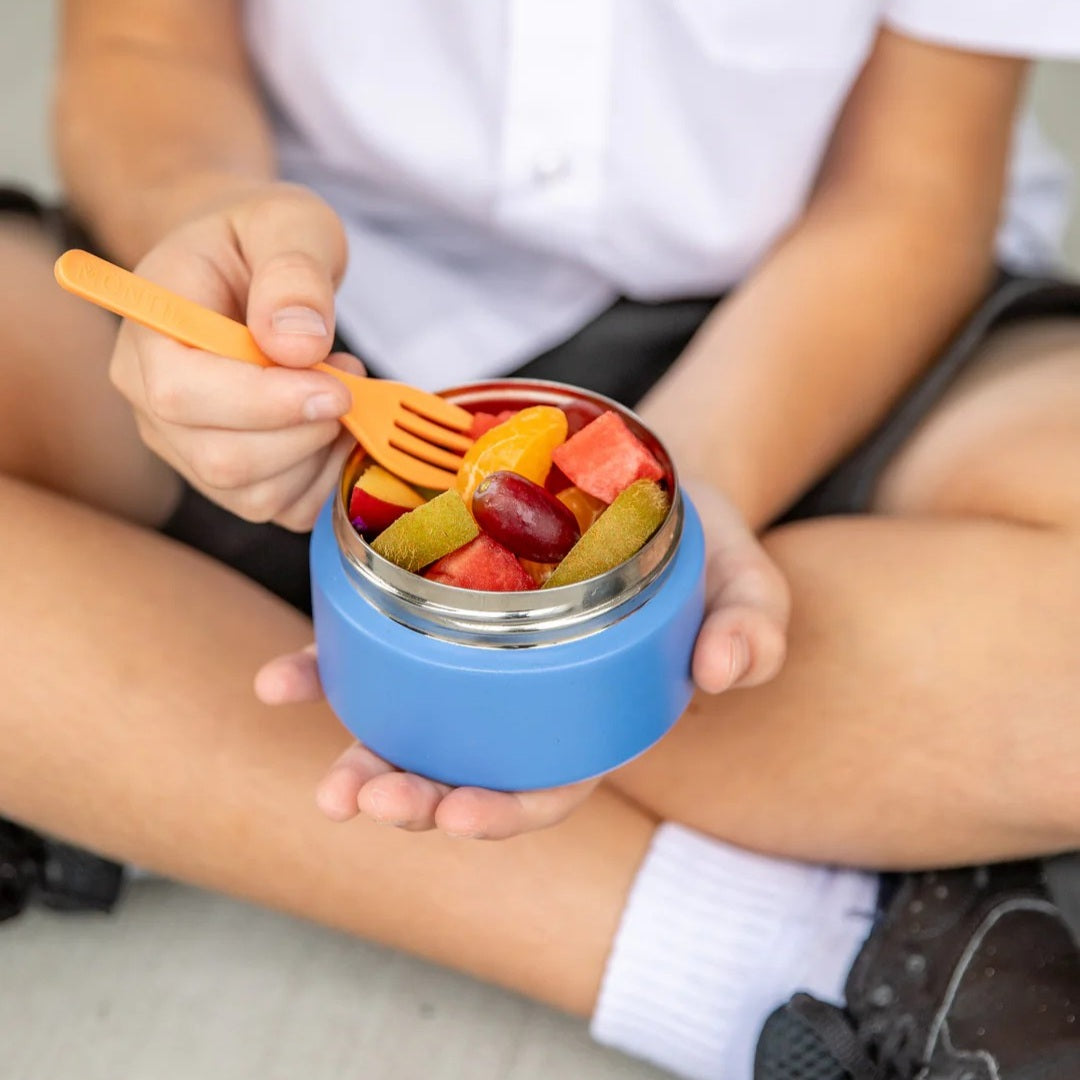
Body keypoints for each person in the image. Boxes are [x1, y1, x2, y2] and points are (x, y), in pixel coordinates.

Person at [3, 1, 1080, 1076]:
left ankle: (133, 705)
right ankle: (798, 945)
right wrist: (211, 230)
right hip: (321, 315)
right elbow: (141, 49)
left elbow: (911, 196)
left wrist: (700, 488)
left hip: (806, 337)